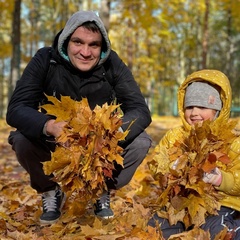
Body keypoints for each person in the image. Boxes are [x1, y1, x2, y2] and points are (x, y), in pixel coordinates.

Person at [6, 10, 152, 225]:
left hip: (99, 148)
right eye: (78, 42)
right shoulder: (45, 59)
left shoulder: (112, 63)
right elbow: (17, 108)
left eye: (93, 45)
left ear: (102, 47)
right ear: (66, 41)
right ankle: (50, 191)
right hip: (56, 142)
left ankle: (100, 189)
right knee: (21, 139)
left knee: (141, 141)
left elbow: (140, 109)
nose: (85, 52)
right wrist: (49, 126)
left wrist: (112, 134)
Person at [148, 69, 240, 239]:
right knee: (156, 227)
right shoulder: (176, 136)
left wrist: (221, 179)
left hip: (220, 205)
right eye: (189, 107)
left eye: (203, 107)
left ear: (218, 110)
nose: (194, 113)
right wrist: (169, 170)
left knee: (217, 231)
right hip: (179, 202)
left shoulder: (232, 140)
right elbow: (155, 161)